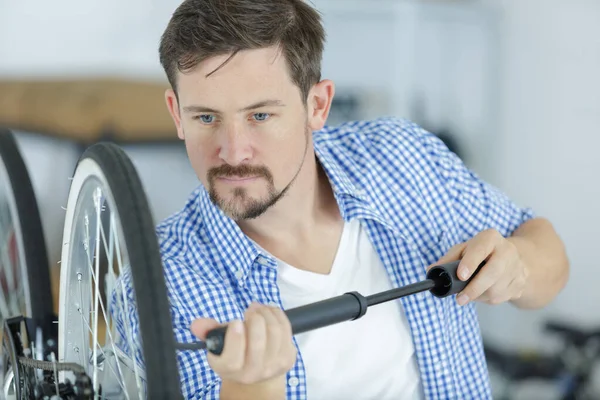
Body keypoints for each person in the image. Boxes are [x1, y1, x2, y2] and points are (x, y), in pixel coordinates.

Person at [115, 0, 570, 399]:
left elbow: (547, 252)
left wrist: (520, 266)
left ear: (317, 105)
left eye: (260, 115)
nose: (233, 151)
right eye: (207, 117)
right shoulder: (155, 284)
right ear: (177, 114)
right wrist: (251, 388)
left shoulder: (402, 156)